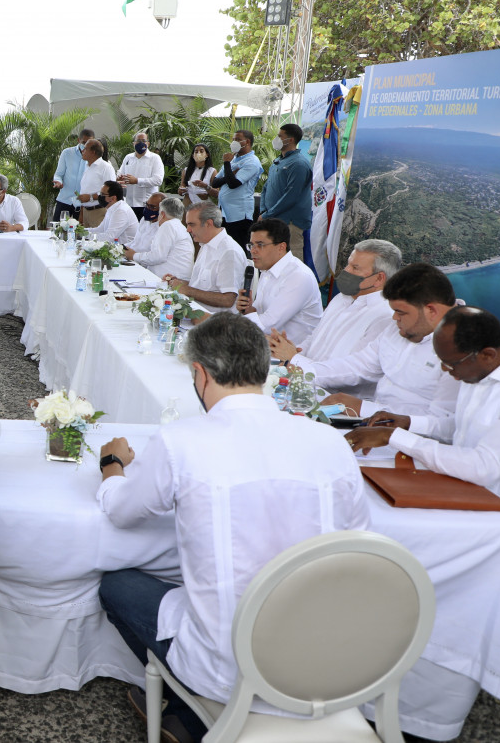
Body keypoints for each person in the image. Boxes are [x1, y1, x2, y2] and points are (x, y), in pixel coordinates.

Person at [98, 313, 367, 743]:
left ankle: (188, 710)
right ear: (263, 368)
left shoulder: (181, 440)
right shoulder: (330, 442)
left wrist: (112, 467)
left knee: (117, 584)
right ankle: (184, 713)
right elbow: (358, 542)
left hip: (228, 668)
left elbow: (122, 513)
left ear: (200, 374)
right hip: (323, 660)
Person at [345, 307, 500, 503]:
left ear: (487, 355)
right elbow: (464, 426)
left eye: (451, 364)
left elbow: (484, 466)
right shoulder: (481, 366)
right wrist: (408, 423)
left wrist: (395, 437)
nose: (446, 370)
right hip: (462, 489)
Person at [291, 262, 462, 421]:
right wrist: (298, 369)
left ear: (431, 310)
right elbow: (358, 365)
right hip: (371, 422)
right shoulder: (397, 330)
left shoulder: (463, 345)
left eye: (401, 312)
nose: (394, 318)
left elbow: (444, 424)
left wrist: (363, 408)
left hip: (407, 436)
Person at [268, 239, 401, 399]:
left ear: (379, 278)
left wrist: (295, 359)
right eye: (348, 264)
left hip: (337, 403)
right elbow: (315, 338)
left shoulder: (385, 316)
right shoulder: (341, 299)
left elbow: (353, 371)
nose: (346, 271)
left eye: (355, 268)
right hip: (303, 384)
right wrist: (291, 350)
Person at [235, 218, 322, 343]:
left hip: (295, 351)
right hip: (268, 344)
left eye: (260, 245)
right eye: (251, 245)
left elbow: (267, 326)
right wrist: (248, 309)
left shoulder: (298, 276)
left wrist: (229, 325)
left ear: (281, 247)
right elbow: (261, 315)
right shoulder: (267, 270)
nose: (253, 250)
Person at [167, 201, 244, 316]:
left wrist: (187, 290)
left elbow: (228, 300)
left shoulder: (229, 252)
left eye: (191, 224)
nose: (188, 229)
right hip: (194, 314)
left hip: (215, 322)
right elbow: (201, 286)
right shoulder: (205, 244)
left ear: (208, 223)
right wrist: (178, 283)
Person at [259, 123, 312, 260]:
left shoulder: (298, 164)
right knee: (273, 259)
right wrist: (263, 210)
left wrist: (268, 214)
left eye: (280, 136)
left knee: (291, 259)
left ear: (291, 139)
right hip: (272, 219)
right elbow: (266, 187)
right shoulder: (278, 161)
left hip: (290, 223)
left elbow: (291, 196)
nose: (276, 139)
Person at [210, 130, 262, 250]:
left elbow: (233, 184)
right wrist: (230, 174)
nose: (233, 142)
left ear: (247, 142)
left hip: (239, 214)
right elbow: (215, 182)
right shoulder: (233, 159)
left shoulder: (252, 161)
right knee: (224, 248)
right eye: (233, 139)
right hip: (224, 212)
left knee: (238, 248)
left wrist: (227, 164)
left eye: (237, 139)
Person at [124, 194, 193, 281]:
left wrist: (134, 256)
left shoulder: (168, 225)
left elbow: (157, 257)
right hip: (173, 278)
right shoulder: (178, 226)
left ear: (162, 214)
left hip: (171, 280)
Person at [52, 129, 95, 222]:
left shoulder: (94, 157)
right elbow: (58, 174)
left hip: (82, 204)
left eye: (89, 143)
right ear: (78, 140)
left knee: (80, 230)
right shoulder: (67, 153)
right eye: (84, 142)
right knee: (58, 228)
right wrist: (58, 182)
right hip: (64, 199)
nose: (86, 145)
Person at [118, 131, 165, 218]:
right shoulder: (128, 158)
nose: (140, 143)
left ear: (148, 143)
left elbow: (158, 180)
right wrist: (119, 178)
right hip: (129, 204)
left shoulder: (155, 158)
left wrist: (137, 181)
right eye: (138, 141)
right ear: (133, 143)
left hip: (147, 205)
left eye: (143, 141)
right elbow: (120, 173)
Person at [87, 180, 137, 245]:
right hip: (116, 247)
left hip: (125, 248)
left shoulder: (121, 211)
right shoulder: (112, 207)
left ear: (113, 198)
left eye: (102, 194)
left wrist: (86, 235)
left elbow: (109, 237)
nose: (99, 197)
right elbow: (100, 229)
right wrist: (80, 231)